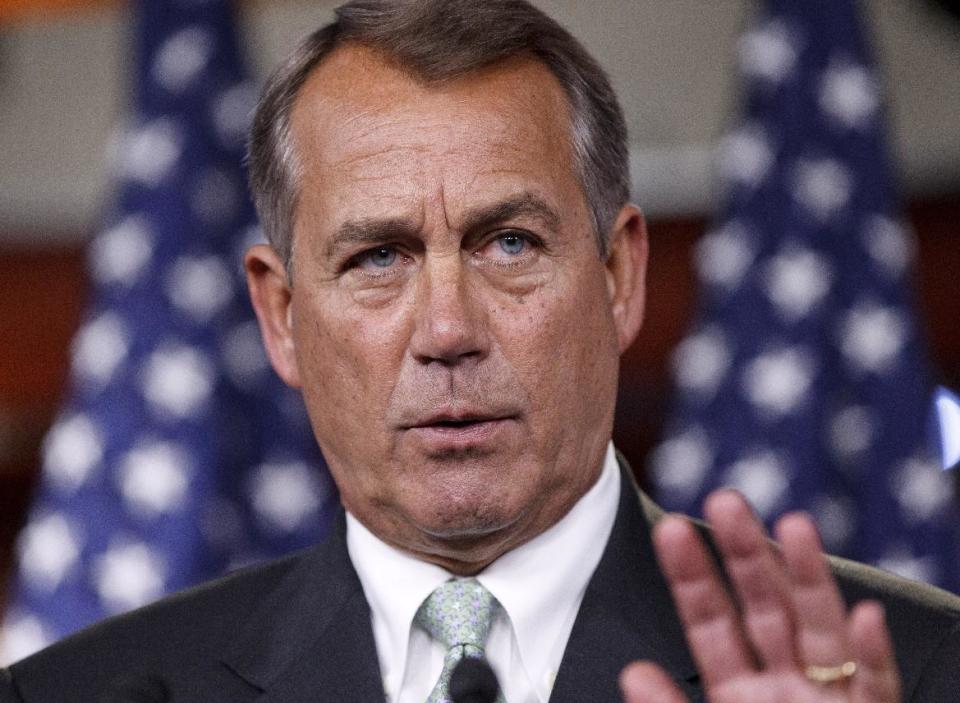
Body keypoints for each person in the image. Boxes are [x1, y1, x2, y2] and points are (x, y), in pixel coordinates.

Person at [3, 1, 959, 701]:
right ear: (282, 316)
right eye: (379, 257)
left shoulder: (924, 671)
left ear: (619, 276)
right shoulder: (77, 694)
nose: (449, 331)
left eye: (510, 244)